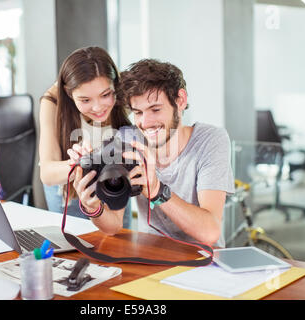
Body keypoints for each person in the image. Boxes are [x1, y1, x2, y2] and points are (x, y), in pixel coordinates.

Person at [72, 59, 235, 247]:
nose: (146, 122)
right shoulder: (128, 140)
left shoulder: (210, 140)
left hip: (202, 262)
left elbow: (210, 231)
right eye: (138, 113)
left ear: (180, 100)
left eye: (155, 109)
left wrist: (157, 191)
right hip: (151, 256)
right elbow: (113, 226)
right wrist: (94, 208)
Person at [39, 46, 133, 228]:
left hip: (114, 184)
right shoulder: (52, 102)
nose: (98, 108)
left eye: (105, 95)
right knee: (73, 251)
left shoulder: (123, 93)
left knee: (119, 246)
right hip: (69, 192)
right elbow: (47, 173)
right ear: (69, 93)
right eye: (85, 100)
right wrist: (85, 163)